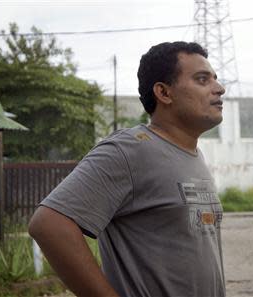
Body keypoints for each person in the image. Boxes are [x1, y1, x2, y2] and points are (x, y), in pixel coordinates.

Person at [28, 41, 226, 297]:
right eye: (202, 80)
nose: (219, 89)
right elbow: (49, 224)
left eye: (215, 79)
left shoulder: (193, 155)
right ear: (164, 93)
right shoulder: (130, 150)